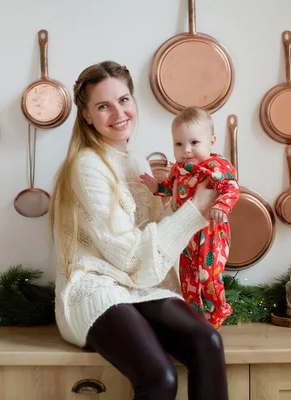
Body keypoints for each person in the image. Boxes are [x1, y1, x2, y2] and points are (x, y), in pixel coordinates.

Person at [49, 61, 229, 400]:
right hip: (96, 286)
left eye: (124, 100)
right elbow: (130, 256)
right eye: (103, 106)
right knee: (159, 377)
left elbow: (154, 240)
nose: (118, 112)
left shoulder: (138, 163)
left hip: (141, 287)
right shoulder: (86, 165)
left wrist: (193, 199)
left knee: (208, 342)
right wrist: (195, 209)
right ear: (86, 115)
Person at [139, 106, 240, 329]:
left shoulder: (216, 167)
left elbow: (231, 188)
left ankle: (218, 312)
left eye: (194, 143)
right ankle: (194, 317)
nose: (186, 150)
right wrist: (157, 186)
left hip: (211, 232)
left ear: (211, 141)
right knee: (188, 277)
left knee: (208, 276)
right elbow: (171, 188)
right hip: (186, 235)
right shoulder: (178, 169)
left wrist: (222, 207)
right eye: (179, 144)